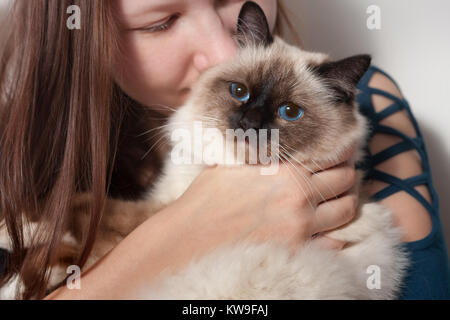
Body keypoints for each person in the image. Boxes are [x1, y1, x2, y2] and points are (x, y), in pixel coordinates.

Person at [0, 0, 448, 300]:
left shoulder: (369, 105)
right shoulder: (15, 146)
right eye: (161, 22)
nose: (222, 50)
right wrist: (181, 232)